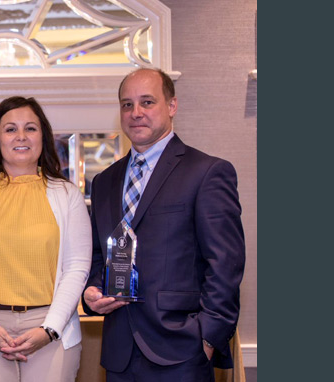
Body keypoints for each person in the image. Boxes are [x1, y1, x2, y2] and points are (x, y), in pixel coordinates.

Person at [82, 68, 245, 381]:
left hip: (182, 351)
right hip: (120, 352)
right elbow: (99, 257)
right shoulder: (104, 182)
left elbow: (225, 264)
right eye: (127, 104)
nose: (136, 113)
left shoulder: (207, 172)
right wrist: (90, 292)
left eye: (147, 102)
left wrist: (207, 338)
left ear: (172, 106)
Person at [0, 96, 92, 381]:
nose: (21, 136)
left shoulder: (68, 194)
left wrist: (49, 329)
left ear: (43, 137)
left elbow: (77, 268)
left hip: (51, 327)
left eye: (30, 128)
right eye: (10, 129)